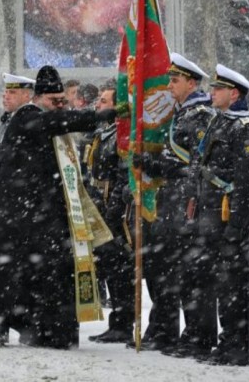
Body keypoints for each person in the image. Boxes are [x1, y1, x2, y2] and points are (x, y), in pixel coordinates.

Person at [0, 65, 117, 349]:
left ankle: (46, 329)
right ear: (40, 98)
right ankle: (28, 327)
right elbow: (56, 123)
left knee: (38, 275)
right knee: (17, 276)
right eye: (55, 102)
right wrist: (97, 116)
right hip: (21, 216)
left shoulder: (44, 119)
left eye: (63, 103)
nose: (60, 108)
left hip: (38, 214)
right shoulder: (28, 117)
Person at [141, 53, 217, 357]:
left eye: (175, 80)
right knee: (167, 270)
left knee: (193, 274)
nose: (169, 85)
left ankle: (199, 336)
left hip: (188, 201)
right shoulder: (181, 113)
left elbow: (194, 164)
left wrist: (155, 163)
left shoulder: (199, 115)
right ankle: (168, 331)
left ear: (192, 82)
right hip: (172, 200)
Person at [196, 65, 249, 366]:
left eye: (218, 89)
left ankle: (236, 347)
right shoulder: (220, 123)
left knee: (234, 286)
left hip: (231, 219)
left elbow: (246, 183)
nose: (212, 92)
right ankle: (227, 343)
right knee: (223, 285)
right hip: (214, 216)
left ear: (233, 93)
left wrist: (236, 227)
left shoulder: (245, 129)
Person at [87, 82, 135, 344]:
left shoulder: (122, 135)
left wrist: (113, 210)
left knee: (120, 270)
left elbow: (121, 174)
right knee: (109, 268)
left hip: (114, 211)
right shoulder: (103, 132)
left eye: (104, 101)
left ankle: (124, 323)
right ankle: (116, 321)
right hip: (98, 206)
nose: (99, 105)